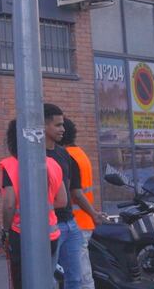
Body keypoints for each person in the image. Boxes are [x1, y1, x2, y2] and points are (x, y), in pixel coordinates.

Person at [0, 118, 65, 289]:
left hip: (22, 234)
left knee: (22, 281)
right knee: (46, 280)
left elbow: (9, 203)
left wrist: (6, 230)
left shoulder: (10, 165)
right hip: (51, 234)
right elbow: (62, 201)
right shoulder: (53, 164)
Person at [44, 104, 93, 289]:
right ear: (44, 126)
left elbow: (76, 190)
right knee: (48, 278)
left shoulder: (63, 154)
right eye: (57, 125)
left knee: (76, 279)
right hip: (51, 226)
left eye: (63, 125)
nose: (62, 129)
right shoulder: (35, 156)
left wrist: (94, 214)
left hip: (71, 225)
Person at [59, 117, 106, 289]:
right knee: (79, 271)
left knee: (80, 274)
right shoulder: (80, 153)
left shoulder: (68, 157)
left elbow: (76, 193)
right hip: (84, 221)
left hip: (77, 221)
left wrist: (94, 214)